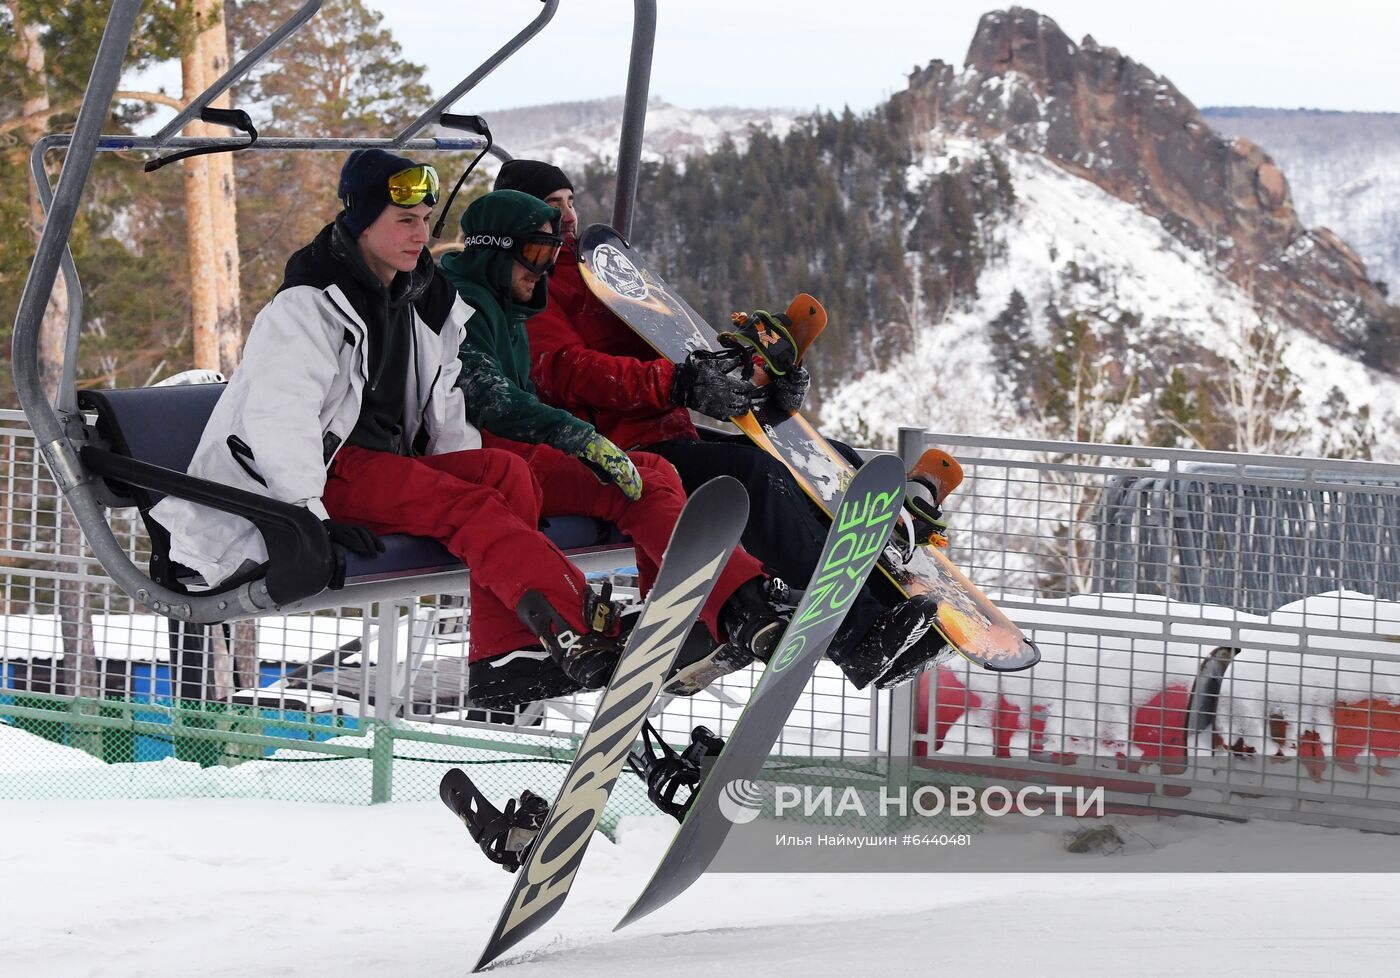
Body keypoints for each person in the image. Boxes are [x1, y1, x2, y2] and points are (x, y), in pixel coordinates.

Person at [150, 150, 629, 712]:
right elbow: (281, 417)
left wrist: (472, 481)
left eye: (426, 221)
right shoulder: (308, 308)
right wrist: (308, 516)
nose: (420, 235)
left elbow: (446, 410)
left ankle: (507, 654)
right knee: (471, 507)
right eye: (405, 221)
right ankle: (574, 621)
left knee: (503, 473)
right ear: (362, 221)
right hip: (320, 476)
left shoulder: (425, 301)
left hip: (384, 466)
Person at [494, 159, 952, 689]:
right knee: (752, 477)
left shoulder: (595, 273)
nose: (569, 217)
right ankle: (857, 634)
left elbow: (672, 341)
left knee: (825, 464)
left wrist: (753, 375)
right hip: (607, 452)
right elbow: (564, 372)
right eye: (554, 209)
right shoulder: (531, 286)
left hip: (663, 433)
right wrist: (678, 384)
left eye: (572, 202)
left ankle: (895, 611)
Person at [438, 189, 791, 699]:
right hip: (475, 458)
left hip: (515, 452)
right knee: (642, 476)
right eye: (536, 254)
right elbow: (491, 398)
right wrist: (579, 437)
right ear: (497, 248)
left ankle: (687, 614)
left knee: (650, 473)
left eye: (553, 257)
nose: (543, 271)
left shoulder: (508, 306)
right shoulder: (462, 304)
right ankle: (737, 601)